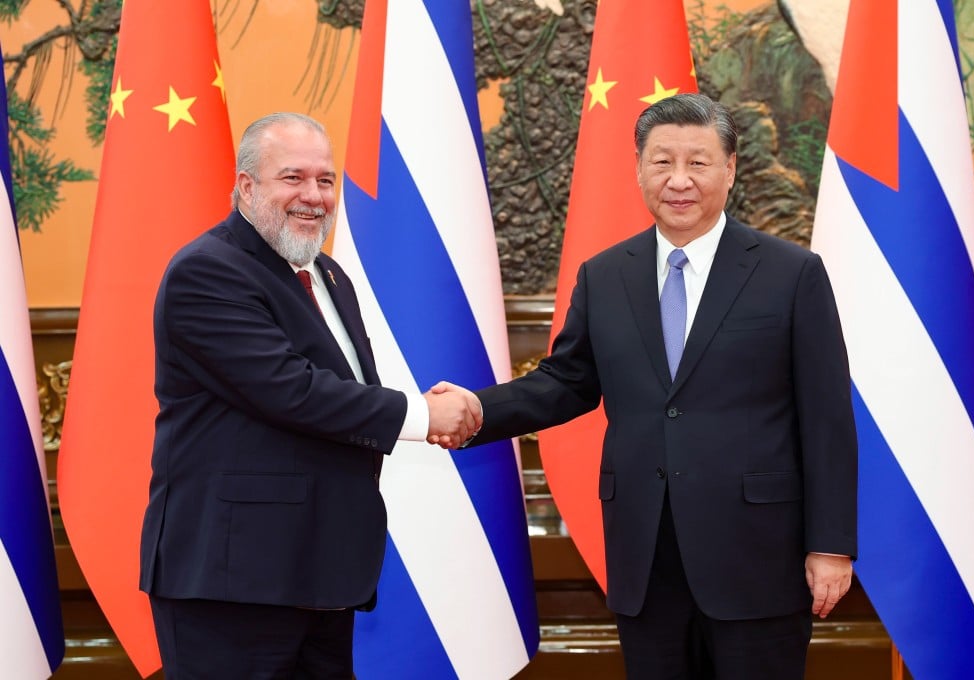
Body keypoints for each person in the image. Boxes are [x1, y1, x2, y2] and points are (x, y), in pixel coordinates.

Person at [435, 93, 857, 678]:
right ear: (638, 168)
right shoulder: (605, 275)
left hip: (758, 554)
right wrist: (478, 408)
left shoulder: (791, 274)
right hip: (645, 551)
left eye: (698, 163)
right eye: (661, 162)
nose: (679, 180)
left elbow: (828, 417)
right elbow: (566, 382)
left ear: (730, 170)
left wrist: (830, 544)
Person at [139, 112, 481, 679]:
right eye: (292, 178)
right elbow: (291, 391)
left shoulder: (326, 273)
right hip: (234, 583)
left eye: (326, 179)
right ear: (246, 186)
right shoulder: (207, 271)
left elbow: (341, 396)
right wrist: (423, 415)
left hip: (319, 574)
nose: (314, 195)